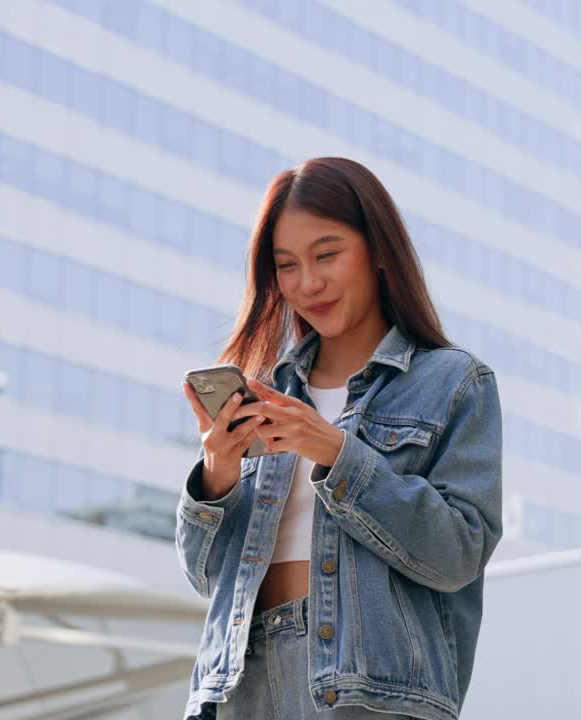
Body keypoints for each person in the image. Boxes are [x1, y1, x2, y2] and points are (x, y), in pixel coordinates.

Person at [176, 157, 503, 720]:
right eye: (287, 265)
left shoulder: (451, 382)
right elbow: (206, 579)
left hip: (367, 693)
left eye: (327, 255)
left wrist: (336, 452)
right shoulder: (265, 392)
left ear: (377, 249)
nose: (308, 283)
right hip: (238, 691)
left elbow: (458, 554)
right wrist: (216, 478)